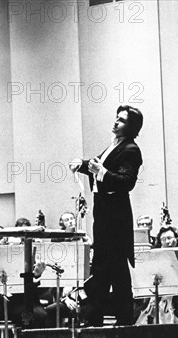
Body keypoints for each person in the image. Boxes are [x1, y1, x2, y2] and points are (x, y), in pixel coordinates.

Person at [69, 105, 143, 326]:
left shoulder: (131, 149)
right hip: (103, 217)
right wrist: (81, 165)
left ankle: (118, 324)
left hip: (115, 221)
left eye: (121, 120)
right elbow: (98, 166)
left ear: (130, 127)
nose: (115, 122)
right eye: (116, 118)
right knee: (104, 271)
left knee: (114, 273)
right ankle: (98, 323)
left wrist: (98, 171)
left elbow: (125, 182)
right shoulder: (115, 145)